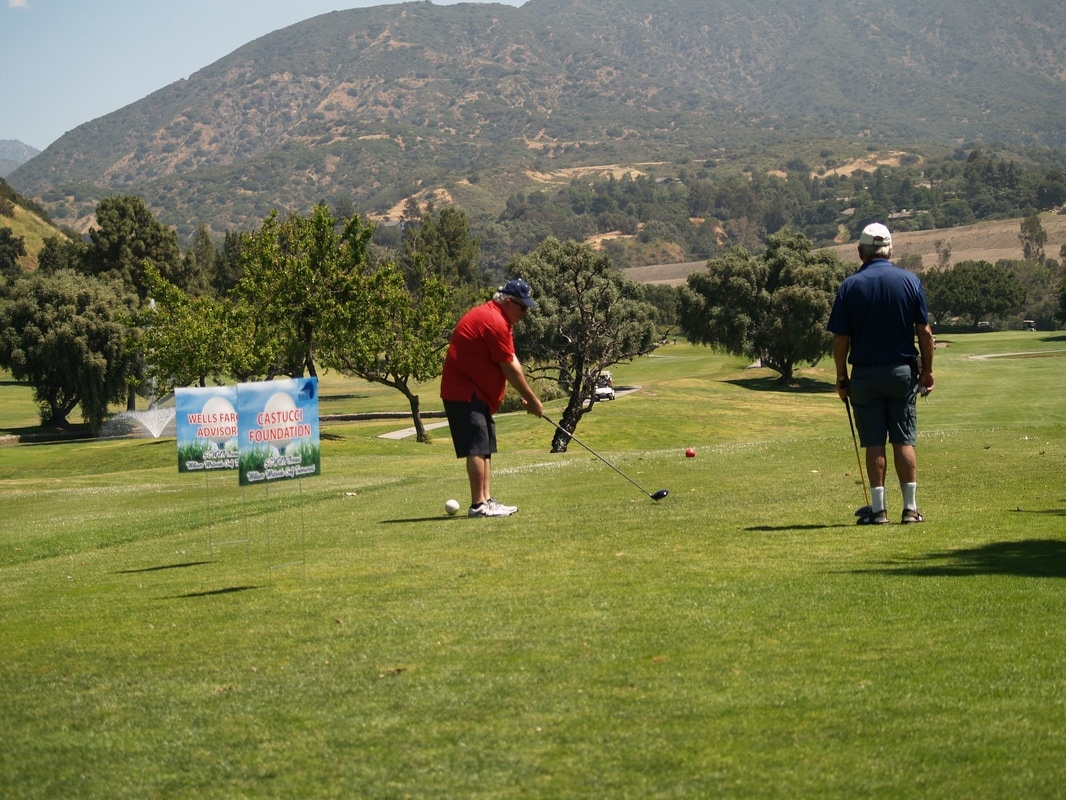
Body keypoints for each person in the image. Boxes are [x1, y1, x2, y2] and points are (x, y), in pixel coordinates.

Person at [827, 222, 935, 525]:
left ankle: (878, 512)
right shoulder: (910, 282)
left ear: (860, 251)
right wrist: (927, 370)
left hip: (864, 375)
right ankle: (910, 510)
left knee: (874, 441)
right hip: (902, 373)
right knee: (904, 439)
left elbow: (840, 339)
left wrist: (840, 376)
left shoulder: (849, 286)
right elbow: (924, 332)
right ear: (890, 249)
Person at [440, 278, 544, 517]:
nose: (526, 313)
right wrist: (533, 399)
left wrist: (529, 398)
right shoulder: (494, 321)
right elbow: (508, 367)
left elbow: (512, 358)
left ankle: (486, 501)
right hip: (464, 392)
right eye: (523, 307)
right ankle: (478, 505)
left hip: (478, 393)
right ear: (509, 302)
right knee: (476, 447)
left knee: (485, 447)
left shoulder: (501, 320)